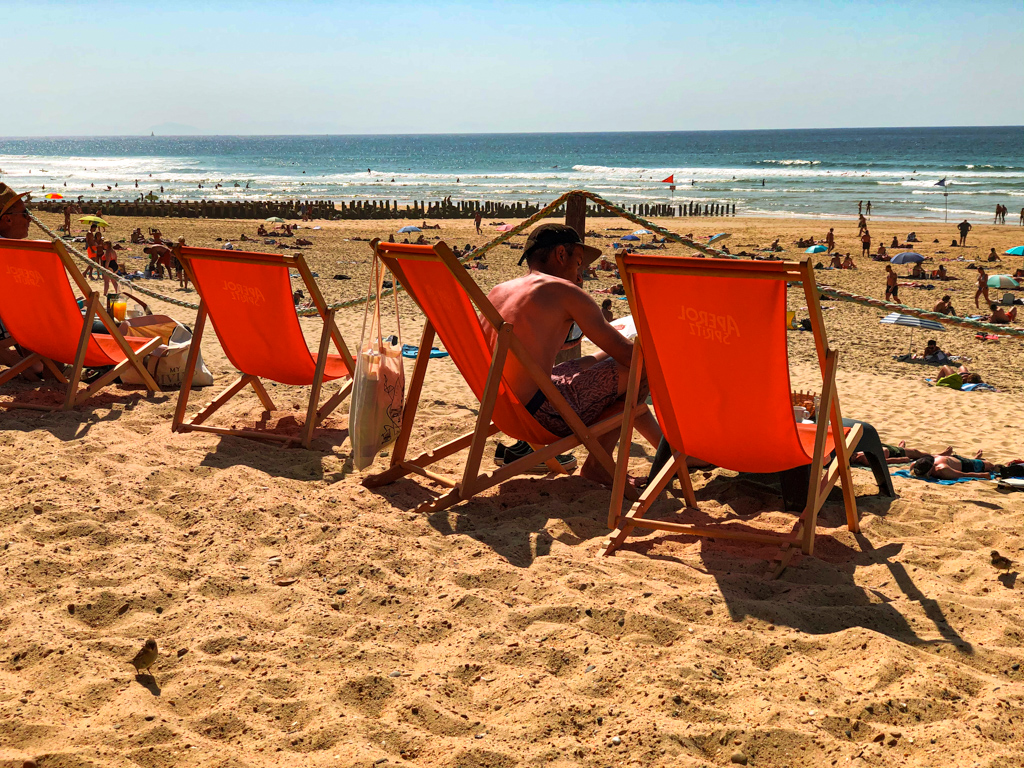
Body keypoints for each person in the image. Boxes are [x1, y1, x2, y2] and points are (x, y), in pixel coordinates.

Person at [484, 223, 663, 486]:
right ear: (560, 254)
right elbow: (629, 358)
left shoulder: (499, 290)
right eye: (578, 264)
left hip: (501, 407)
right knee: (640, 367)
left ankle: (667, 449)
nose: (580, 276)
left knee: (597, 359)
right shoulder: (564, 291)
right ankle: (598, 466)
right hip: (543, 414)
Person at [0, 184, 44, 377]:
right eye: (25, 213)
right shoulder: (10, 256)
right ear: (7, 219)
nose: (30, 219)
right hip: (21, 329)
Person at [912, 451, 995, 480]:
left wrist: (983, 475)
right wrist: (982, 475)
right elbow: (962, 474)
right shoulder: (941, 470)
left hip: (960, 462)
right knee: (990, 466)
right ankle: (976, 459)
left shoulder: (941, 469)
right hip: (959, 463)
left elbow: (962, 474)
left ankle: (976, 459)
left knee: (991, 466)